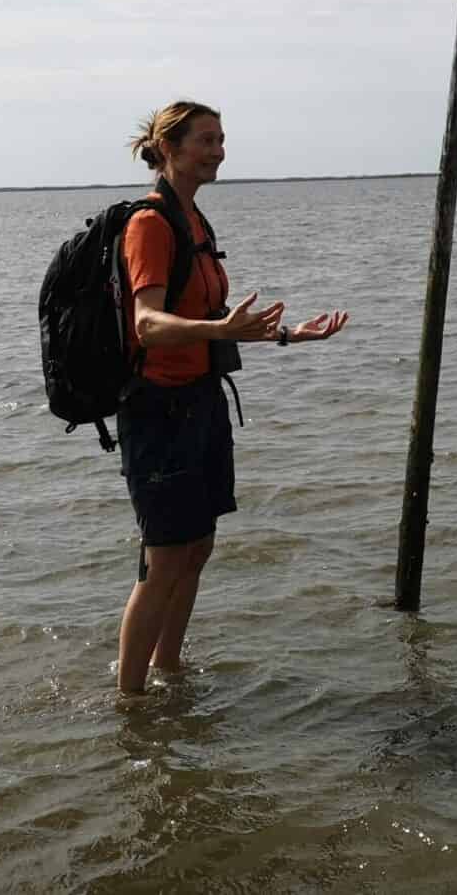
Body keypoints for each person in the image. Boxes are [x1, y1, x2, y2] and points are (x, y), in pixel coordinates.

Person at [115, 101, 349, 694]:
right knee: (163, 558)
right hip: (157, 409)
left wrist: (287, 334)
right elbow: (147, 324)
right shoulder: (150, 223)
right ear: (170, 148)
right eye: (206, 140)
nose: (218, 150)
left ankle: (170, 674)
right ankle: (131, 702)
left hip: (201, 401)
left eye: (222, 140)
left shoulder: (194, 220)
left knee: (198, 548)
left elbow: (209, 315)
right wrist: (222, 330)